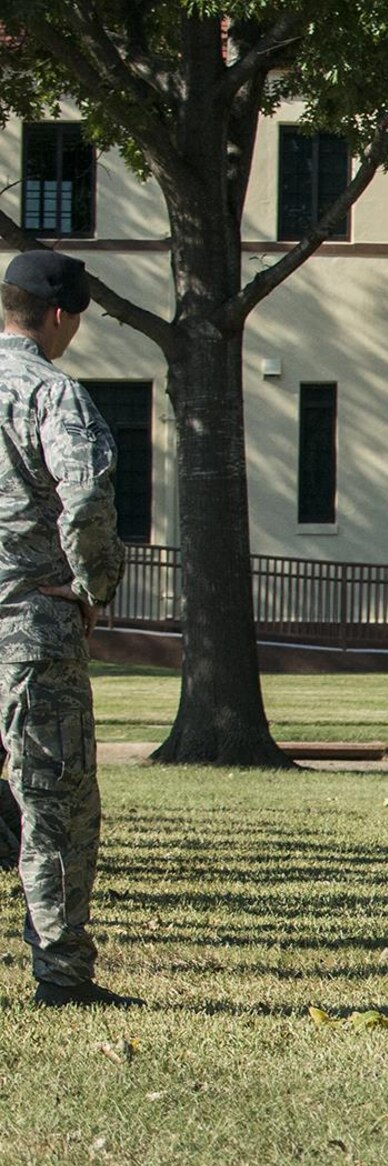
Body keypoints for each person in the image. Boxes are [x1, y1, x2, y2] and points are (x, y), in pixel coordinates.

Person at [1, 250, 134, 1006]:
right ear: (60, 317)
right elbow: (84, 501)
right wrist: (92, 586)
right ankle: (61, 974)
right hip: (28, 627)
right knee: (54, 800)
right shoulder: (54, 395)